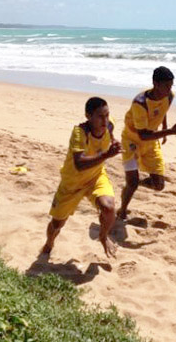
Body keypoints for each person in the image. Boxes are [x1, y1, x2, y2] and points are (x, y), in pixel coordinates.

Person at [42, 97, 122, 258]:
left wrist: (113, 140)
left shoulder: (109, 124)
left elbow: (111, 131)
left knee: (109, 207)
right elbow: (79, 163)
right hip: (72, 182)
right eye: (100, 116)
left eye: (107, 115)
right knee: (57, 223)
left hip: (96, 177)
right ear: (88, 116)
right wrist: (106, 154)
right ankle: (49, 242)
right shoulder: (79, 133)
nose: (105, 120)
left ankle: (103, 236)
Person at [118, 66, 176, 220]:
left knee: (159, 185)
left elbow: (163, 110)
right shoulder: (141, 103)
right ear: (155, 83)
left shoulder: (170, 96)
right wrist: (170, 132)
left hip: (152, 141)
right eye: (166, 85)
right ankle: (122, 210)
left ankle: (136, 184)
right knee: (132, 183)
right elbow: (143, 135)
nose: (169, 89)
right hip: (132, 141)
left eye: (171, 85)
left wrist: (164, 126)